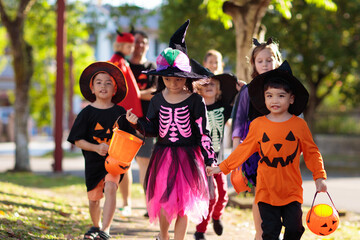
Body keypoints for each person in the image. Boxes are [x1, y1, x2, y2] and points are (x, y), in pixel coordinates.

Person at [207, 60, 328, 240]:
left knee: (295, 229)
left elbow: (312, 152)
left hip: (292, 191)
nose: (274, 100)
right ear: (264, 98)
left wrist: (319, 177)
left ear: (291, 98)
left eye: (280, 96)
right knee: (269, 233)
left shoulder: (299, 125)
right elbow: (244, 150)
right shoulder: (258, 125)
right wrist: (222, 167)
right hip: (266, 191)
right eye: (269, 96)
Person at [126, 20, 217, 240]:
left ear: (186, 77)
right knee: (165, 201)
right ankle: (164, 235)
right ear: (162, 78)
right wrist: (136, 122)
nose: (173, 83)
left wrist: (210, 161)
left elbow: (204, 133)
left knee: (184, 204)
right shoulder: (157, 100)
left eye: (177, 79)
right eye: (168, 79)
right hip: (164, 155)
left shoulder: (195, 100)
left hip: (189, 156)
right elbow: (152, 129)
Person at [67, 62, 134, 240]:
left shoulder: (121, 113)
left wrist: (133, 123)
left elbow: (130, 138)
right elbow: (78, 140)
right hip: (93, 162)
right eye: (99, 82)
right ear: (92, 89)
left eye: (108, 83)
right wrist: (96, 148)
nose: (103, 86)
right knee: (94, 199)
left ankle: (106, 229)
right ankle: (95, 225)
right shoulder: (86, 113)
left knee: (111, 187)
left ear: (114, 90)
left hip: (113, 162)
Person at [231, 37, 282, 240]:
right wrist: (237, 152)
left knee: (278, 192)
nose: (265, 64)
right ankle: (260, 233)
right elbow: (239, 119)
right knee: (261, 193)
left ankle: (273, 231)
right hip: (255, 150)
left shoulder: (286, 88)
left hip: (280, 148)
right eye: (260, 61)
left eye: (269, 60)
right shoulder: (247, 90)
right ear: (253, 64)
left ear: (277, 60)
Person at [191, 59, 238, 240]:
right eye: (206, 83)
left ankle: (217, 217)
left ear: (218, 90)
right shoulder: (195, 108)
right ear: (199, 88)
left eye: (213, 84)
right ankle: (200, 230)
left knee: (223, 195)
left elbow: (239, 103)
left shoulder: (224, 108)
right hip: (203, 161)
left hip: (219, 159)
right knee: (210, 196)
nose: (209, 85)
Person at [109, 29, 142, 215]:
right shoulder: (117, 63)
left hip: (122, 120)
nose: (133, 47)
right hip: (120, 121)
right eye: (130, 45)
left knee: (122, 163)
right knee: (121, 163)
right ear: (122, 45)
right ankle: (124, 202)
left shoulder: (121, 62)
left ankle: (125, 202)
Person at [127, 30, 157, 217]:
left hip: (146, 124)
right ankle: (125, 203)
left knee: (145, 166)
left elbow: (155, 91)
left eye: (143, 42)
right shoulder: (125, 66)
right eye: (137, 41)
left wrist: (136, 94)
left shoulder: (152, 67)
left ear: (147, 45)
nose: (140, 45)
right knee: (123, 165)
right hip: (125, 123)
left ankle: (149, 206)